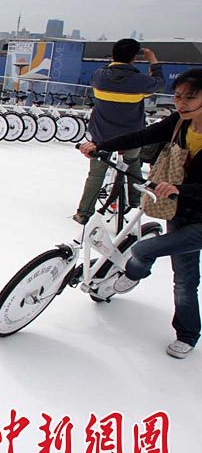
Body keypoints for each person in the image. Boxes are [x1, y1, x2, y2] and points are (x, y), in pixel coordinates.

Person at [79, 68, 202, 359]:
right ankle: (187, 332)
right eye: (178, 96)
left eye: (190, 97)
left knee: (145, 250)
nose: (182, 103)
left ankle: (134, 274)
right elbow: (142, 135)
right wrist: (101, 146)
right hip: (179, 211)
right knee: (184, 278)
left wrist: (181, 189)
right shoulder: (179, 123)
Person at [73, 39, 165, 224]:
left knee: (96, 174)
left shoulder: (99, 76)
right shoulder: (140, 81)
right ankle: (136, 201)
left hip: (101, 136)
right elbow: (159, 83)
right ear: (134, 57)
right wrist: (153, 61)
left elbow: (107, 71)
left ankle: (84, 212)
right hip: (132, 136)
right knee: (133, 163)